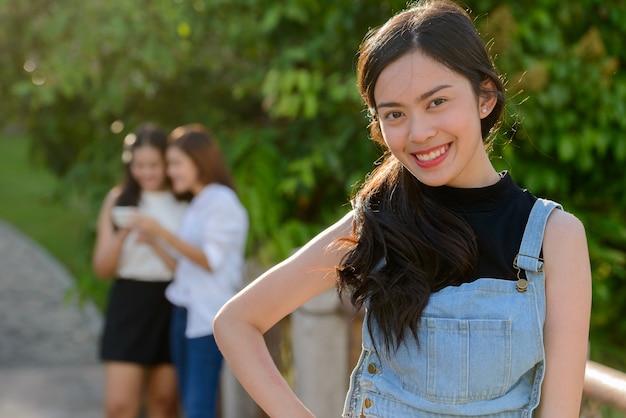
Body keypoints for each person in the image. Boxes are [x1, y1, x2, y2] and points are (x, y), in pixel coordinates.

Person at [213, 0, 592, 417]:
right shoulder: (378, 220)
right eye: (395, 114)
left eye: (436, 102)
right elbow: (236, 323)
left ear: (485, 97)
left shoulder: (554, 237)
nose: (419, 133)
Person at [132, 123, 249, 418]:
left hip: (208, 317)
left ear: (199, 161)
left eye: (176, 164)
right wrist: (155, 242)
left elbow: (210, 260)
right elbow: (185, 268)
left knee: (198, 408)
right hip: (184, 312)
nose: (170, 172)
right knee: (189, 405)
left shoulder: (221, 201)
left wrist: (162, 231)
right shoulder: (199, 203)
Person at [93, 124, 187, 418]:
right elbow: (102, 269)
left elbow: (190, 269)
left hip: (172, 302)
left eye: (154, 165)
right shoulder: (117, 200)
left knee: (163, 403)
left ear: (166, 163)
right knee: (119, 406)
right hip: (129, 302)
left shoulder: (184, 200)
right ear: (129, 165)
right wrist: (124, 234)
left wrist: (156, 238)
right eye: (138, 165)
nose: (146, 172)